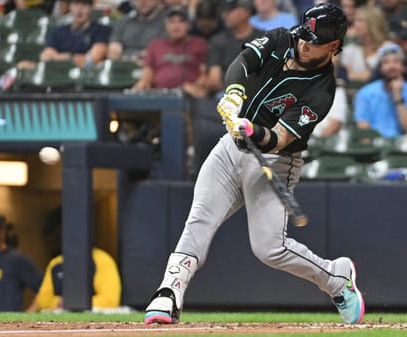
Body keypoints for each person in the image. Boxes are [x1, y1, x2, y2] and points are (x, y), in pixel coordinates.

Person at [143, 3, 364, 326]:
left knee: (269, 249)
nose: (304, 44)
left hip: (275, 161)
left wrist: (252, 130)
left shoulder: (322, 90)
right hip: (229, 150)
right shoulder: (279, 39)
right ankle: (168, 293)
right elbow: (243, 62)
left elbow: (278, 139)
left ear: (333, 46)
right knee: (200, 219)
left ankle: (335, 277)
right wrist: (234, 95)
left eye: (313, 42)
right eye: (304, 37)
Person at [354, 43, 407, 138]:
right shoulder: (365, 93)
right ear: (380, 68)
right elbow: (363, 130)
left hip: (404, 147)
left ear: (403, 67)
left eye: (396, 62)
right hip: (374, 146)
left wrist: (398, 97)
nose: (391, 66)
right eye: (386, 62)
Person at [132, 6, 207, 90]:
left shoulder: (199, 44)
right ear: (166, 25)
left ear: (188, 25)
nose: (176, 26)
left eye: (181, 21)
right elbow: (148, 71)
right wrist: (143, 83)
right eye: (172, 21)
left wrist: (197, 87)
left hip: (189, 94)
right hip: (160, 94)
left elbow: (205, 74)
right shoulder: (156, 45)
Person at [28, 247, 121, 311]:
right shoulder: (56, 263)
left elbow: (110, 301)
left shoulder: (102, 260)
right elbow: (42, 300)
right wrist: (60, 302)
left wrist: (72, 304)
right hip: (60, 318)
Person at [203, 0, 264, 96]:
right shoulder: (218, 40)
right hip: (227, 93)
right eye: (224, 11)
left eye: (229, 11)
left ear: (245, 13)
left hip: (258, 92)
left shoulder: (263, 39)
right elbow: (215, 78)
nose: (224, 15)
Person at [39, 0, 110, 68]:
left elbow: (93, 59)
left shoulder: (101, 30)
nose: (79, 9)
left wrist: (66, 57)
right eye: (76, 4)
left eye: (84, 4)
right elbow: (46, 56)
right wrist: (72, 58)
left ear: (91, 7)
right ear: (70, 6)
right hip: (58, 73)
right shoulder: (58, 31)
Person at [340, 5, 393, 83]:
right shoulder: (349, 50)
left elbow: (390, 74)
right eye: (355, 21)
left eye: (360, 20)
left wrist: (362, 75)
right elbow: (349, 76)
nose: (355, 24)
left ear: (372, 23)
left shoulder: (389, 48)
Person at [107, 0, 167, 64]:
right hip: (124, 65)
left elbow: (161, 50)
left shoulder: (167, 22)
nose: (143, 2)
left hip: (154, 66)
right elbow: (113, 49)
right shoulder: (123, 21)